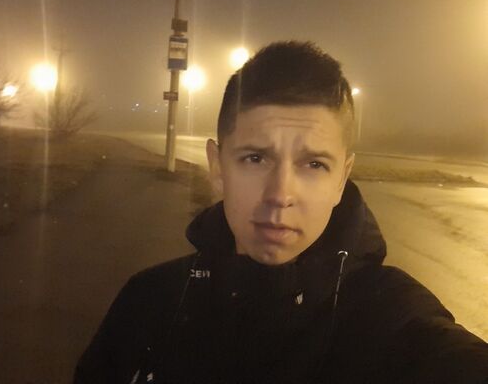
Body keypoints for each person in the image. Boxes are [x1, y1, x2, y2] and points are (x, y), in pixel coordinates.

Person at [74, 41, 488, 384]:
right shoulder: (147, 302)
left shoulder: (393, 318)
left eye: (314, 164)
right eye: (255, 158)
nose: (280, 195)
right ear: (217, 167)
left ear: (341, 180)